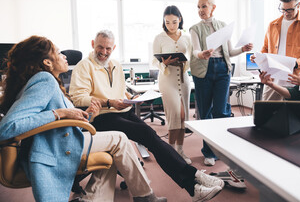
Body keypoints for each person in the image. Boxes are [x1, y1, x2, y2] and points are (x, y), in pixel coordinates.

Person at [0, 36, 166, 202]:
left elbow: (65, 121)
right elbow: (7, 127)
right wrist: (60, 113)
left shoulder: (50, 81)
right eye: (58, 53)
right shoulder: (44, 80)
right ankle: (145, 197)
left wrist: (87, 114)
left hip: (61, 139)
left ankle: (92, 200)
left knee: (111, 149)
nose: (65, 56)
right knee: (119, 138)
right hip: (55, 145)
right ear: (47, 62)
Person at [69, 30, 225, 202]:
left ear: (114, 48)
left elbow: (120, 91)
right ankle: (193, 184)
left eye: (108, 48)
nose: (103, 52)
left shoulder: (115, 64)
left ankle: (194, 179)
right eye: (100, 47)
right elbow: (78, 98)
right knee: (146, 135)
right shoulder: (84, 66)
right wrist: (108, 102)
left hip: (121, 111)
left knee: (153, 137)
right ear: (92, 44)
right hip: (101, 117)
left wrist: (131, 98)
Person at [189, 0, 253, 166]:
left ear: (213, 7)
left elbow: (230, 52)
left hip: (223, 69)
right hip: (204, 69)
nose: (200, 10)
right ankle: (208, 152)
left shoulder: (223, 27)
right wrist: (202, 54)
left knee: (222, 112)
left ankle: (222, 150)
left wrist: (243, 49)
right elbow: (195, 50)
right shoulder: (194, 28)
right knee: (205, 112)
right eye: (198, 7)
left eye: (203, 6)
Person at [260, 0, 300, 101]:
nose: (286, 13)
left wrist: (297, 63)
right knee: (267, 111)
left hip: (295, 78)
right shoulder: (272, 25)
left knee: (292, 114)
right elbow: (266, 48)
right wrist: (259, 57)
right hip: (272, 77)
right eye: (283, 9)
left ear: (299, 5)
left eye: (290, 9)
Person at [152, 5, 192, 164]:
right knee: (174, 114)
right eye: (167, 22)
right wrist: (164, 63)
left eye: (174, 22)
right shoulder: (159, 38)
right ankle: (170, 152)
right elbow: (154, 60)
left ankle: (180, 150)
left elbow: (192, 57)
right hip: (167, 79)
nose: (171, 25)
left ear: (180, 19)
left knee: (183, 116)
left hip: (183, 77)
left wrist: (186, 61)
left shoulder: (187, 37)